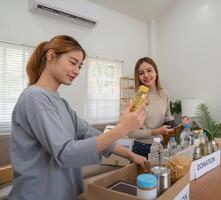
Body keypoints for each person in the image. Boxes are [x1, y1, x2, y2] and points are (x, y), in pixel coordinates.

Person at [9, 35, 147, 200]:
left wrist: (131, 156)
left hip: (64, 192)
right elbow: (65, 153)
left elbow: (91, 134)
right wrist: (122, 128)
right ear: (51, 56)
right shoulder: (34, 97)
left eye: (80, 66)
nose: (77, 71)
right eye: (73, 62)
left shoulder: (61, 103)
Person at [128, 57, 174, 158]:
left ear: (156, 72)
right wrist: (156, 132)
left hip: (160, 146)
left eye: (149, 70)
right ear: (138, 77)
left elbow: (168, 117)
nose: (146, 75)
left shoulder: (165, 94)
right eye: (141, 73)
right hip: (141, 148)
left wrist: (174, 123)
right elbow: (131, 133)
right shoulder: (137, 97)